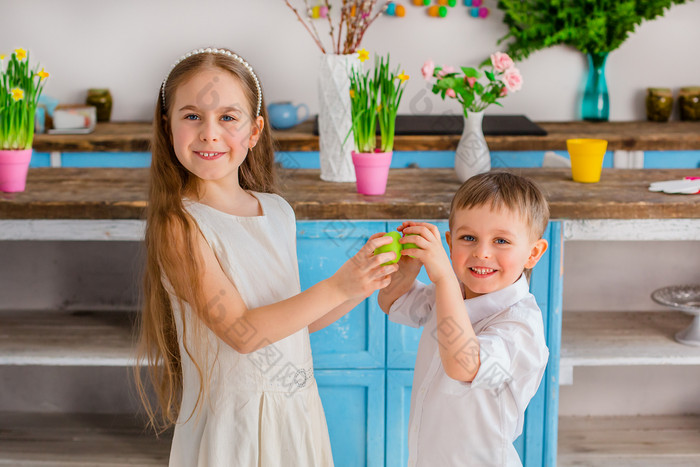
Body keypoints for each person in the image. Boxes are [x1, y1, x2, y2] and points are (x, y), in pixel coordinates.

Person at [133, 47, 399, 467]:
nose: (209, 132)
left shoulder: (277, 210)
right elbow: (241, 333)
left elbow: (295, 323)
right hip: (234, 426)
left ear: (254, 131)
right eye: (191, 116)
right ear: (168, 128)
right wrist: (338, 284)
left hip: (295, 414)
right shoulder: (180, 226)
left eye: (228, 117)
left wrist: (362, 283)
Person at [378, 171, 551, 466]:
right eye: (468, 238)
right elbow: (392, 302)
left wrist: (444, 276)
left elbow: (463, 364)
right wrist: (407, 271)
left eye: (501, 241)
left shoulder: (521, 325)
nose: (482, 253)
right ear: (450, 242)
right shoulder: (453, 292)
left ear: (533, 253)